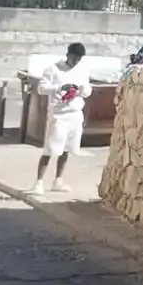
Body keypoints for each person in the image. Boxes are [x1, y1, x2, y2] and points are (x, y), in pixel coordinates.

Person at [33, 42, 92, 196]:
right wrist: (59, 87)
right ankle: (39, 182)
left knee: (67, 148)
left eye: (79, 58)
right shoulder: (53, 69)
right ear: (68, 55)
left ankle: (58, 180)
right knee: (51, 148)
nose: (76, 61)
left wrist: (83, 90)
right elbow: (41, 88)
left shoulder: (82, 70)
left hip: (75, 112)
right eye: (74, 57)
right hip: (59, 114)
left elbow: (88, 90)